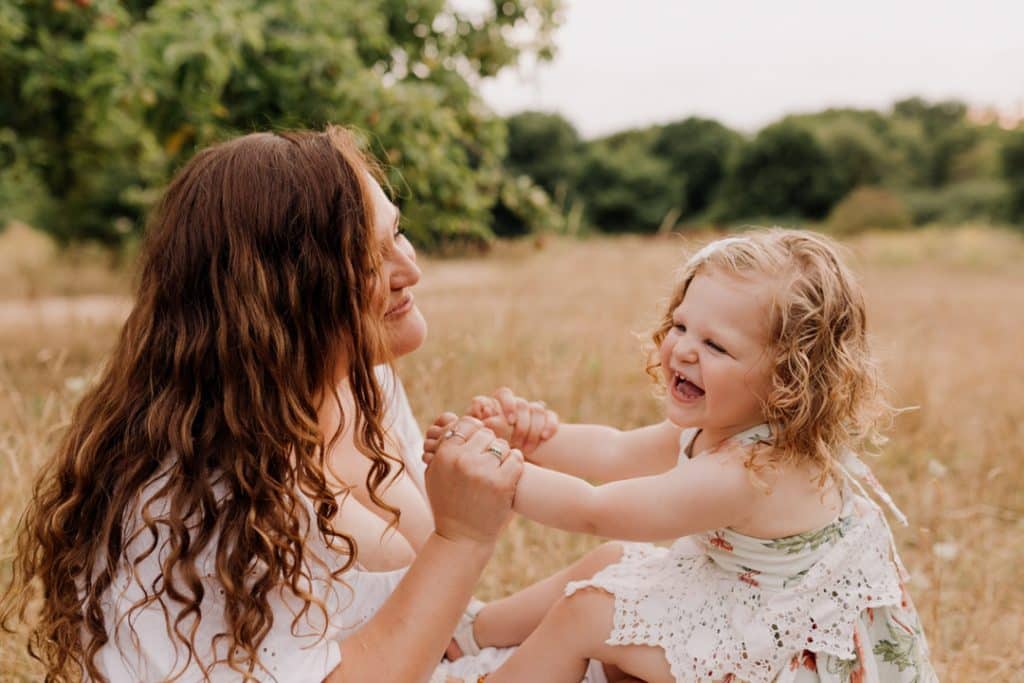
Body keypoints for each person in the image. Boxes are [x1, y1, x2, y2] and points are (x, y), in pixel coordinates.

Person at [0, 127, 534, 682]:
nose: (411, 270)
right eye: (370, 257)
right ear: (287, 292)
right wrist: (462, 539)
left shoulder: (365, 387)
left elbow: (434, 623)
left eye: (397, 233)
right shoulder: (194, 501)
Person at [428, 230, 937, 683]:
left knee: (586, 613)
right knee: (613, 562)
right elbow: (613, 450)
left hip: (780, 647)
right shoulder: (719, 425)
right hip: (747, 597)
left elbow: (597, 509)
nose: (683, 350)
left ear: (788, 380)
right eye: (681, 326)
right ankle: (474, 634)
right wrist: (533, 441)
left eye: (716, 345)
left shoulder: (750, 471)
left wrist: (494, 466)